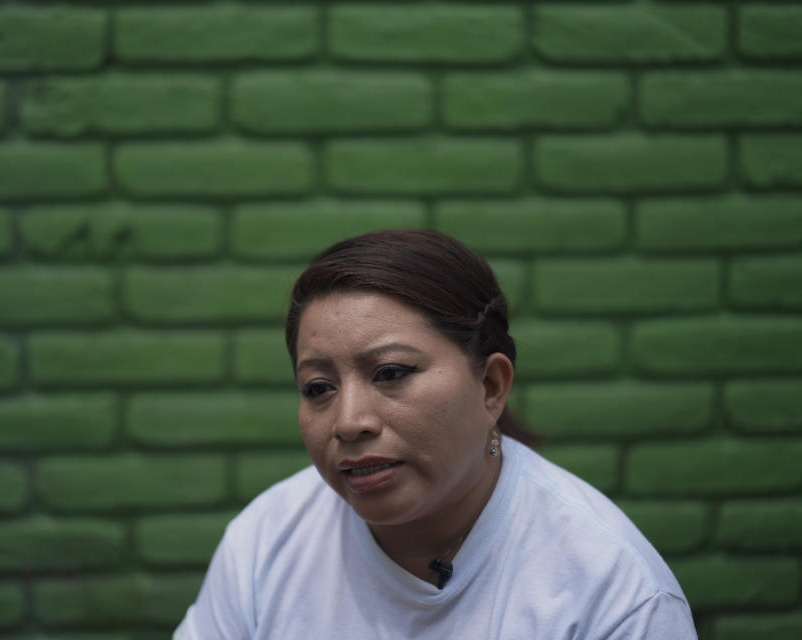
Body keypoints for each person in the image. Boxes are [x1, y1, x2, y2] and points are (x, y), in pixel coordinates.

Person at [174, 229, 697, 639]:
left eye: (392, 373)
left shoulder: (614, 592)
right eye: (317, 388)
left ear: (491, 386)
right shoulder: (267, 542)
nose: (349, 421)